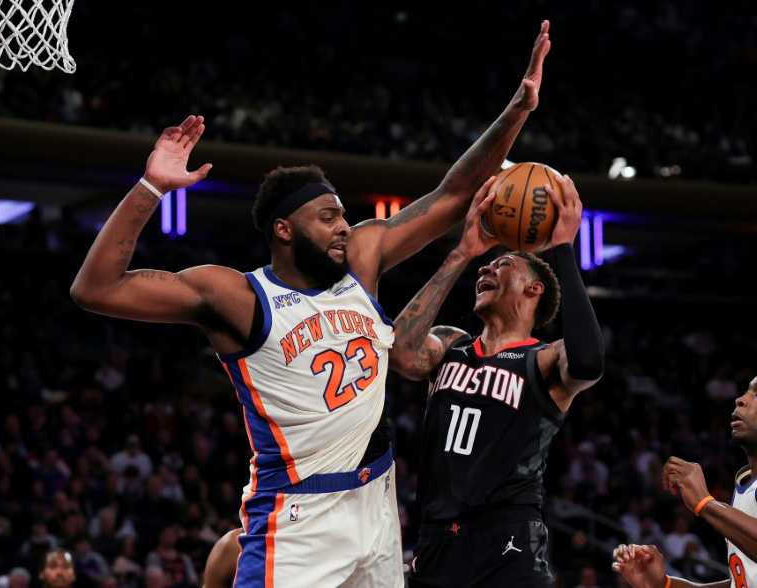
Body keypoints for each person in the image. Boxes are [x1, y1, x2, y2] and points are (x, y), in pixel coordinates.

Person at [69, 20, 552, 588]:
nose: (344, 229)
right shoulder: (237, 296)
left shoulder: (362, 262)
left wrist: (517, 110)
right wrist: (150, 187)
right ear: (284, 230)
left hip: (376, 500)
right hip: (298, 516)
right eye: (327, 219)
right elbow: (95, 289)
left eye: (343, 216)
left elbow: (452, 193)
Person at [388, 172, 605, 587]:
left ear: (534, 289)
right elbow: (398, 352)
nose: (488, 266)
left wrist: (562, 248)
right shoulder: (450, 344)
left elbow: (588, 362)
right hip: (435, 540)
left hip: (508, 541)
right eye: (487, 264)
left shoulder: (543, 358)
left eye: (504, 263)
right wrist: (463, 253)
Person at [612, 375, 757, 588]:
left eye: (756, 393)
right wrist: (665, 584)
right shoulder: (745, 485)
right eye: (746, 390)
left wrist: (705, 503)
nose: (741, 399)